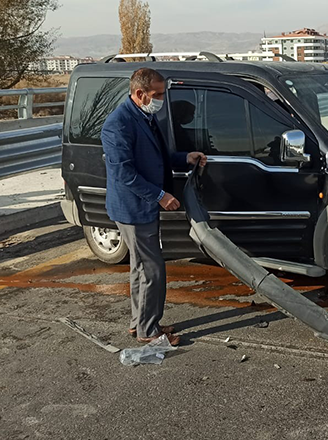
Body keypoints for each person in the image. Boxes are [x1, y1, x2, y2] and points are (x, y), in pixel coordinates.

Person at [101, 68, 207, 345]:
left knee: (141, 268)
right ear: (139, 94)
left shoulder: (145, 116)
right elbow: (124, 174)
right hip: (133, 209)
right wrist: (159, 195)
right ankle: (149, 331)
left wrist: (185, 158)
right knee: (152, 269)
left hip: (141, 206)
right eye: (157, 94)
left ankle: (140, 323)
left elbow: (158, 158)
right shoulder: (118, 124)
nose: (162, 99)